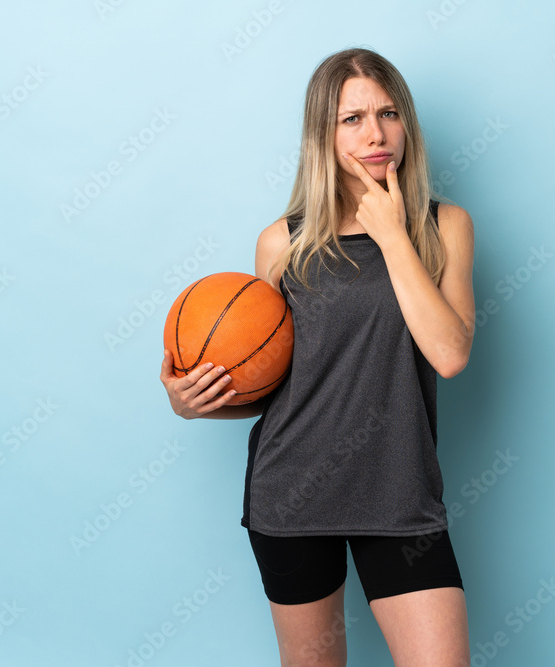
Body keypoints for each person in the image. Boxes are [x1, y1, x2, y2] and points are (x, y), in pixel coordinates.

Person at [160, 47, 475, 667]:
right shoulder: (283, 242)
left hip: (399, 491)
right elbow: (276, 386)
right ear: (322, 135)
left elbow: (449, 352)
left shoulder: (445, 226)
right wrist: (192, 403)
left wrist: (390, 232)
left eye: (388, 113)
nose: (375, 133)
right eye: (351, 118)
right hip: (293, 492)